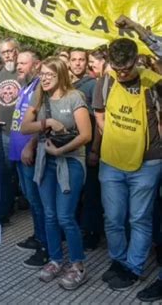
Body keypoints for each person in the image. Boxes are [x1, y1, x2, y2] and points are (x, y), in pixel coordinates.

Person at [93, 38, 161, 291]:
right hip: (111, 161)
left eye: (127, 69)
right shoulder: (107, 80)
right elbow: (99, 112)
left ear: (136, 60)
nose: (122, 74)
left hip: (147, 163)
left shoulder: (153, 82)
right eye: (117, 68)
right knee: (112, 218)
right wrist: (112, 134)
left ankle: (134, 267)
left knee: (140, 218)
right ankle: (118, 261)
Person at [21, 57, 92, 290]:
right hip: (46, 160)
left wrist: (60, 149)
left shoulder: (75, 98)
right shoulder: (40, 96)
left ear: (61, 75)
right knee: (49, 214)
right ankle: (55, 260)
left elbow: (85, 135)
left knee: (65, 216)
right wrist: (48, 121)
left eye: (50, 75)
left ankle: (78, 265)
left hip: (70, 161)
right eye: (42, 74)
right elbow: (24, 126)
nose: (45, 78)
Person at [9, 49, 47, 268]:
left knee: (38, 201)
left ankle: (45, 245)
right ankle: (37, 235)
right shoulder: (25, 86)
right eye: (18, 63)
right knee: (31, 199)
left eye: (23, 63)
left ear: (36, 64)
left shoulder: (39, 87)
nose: (19, 66)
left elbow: (42, 120)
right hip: (18, 152)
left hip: (28, 153)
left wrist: (30, 146)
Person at [69, 48, 102, 250]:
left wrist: (95, 150)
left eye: (82, 60)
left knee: (91, 193)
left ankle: (92, 233)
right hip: (70, 148)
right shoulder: (66, 85)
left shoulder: (93, 85)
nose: (78, 63)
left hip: (88, 147)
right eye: (74, 60)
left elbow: (99, 121)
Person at [0, 38, 22, 224]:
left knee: (23, 174)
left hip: (22, 132)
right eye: (4, 52)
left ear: (17, 51)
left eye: (10, 51)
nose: (8, 55)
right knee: (4, 172)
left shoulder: (24, 71)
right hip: (3, 130)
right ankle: (4, 211)